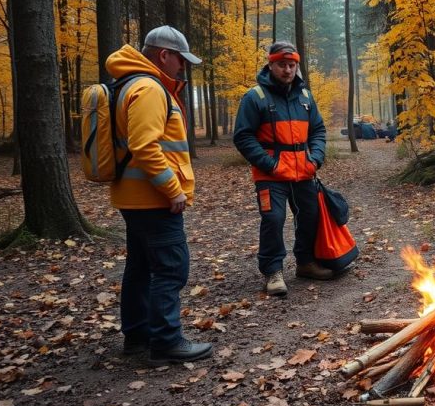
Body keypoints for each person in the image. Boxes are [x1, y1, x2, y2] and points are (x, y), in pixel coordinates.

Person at [107, 25, 212, 364]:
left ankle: (137, 337)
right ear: (164, 55)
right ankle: (166, 342)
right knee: (171, 268)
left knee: (139, 266)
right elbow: (144, 146)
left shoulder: (127, 83)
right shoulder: (149, 87)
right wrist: (173, 189)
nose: (182, 67)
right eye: (180, 60)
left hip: (134, 197)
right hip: (153, 198)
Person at [233, 41, 334, 296]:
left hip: (303, 172)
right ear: (271, 64)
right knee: (274, 219)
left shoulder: (306, 97)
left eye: (291, 65)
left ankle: (306, 262)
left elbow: (318, 131)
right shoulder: (255, 97)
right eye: (282, 65)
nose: (287, 70)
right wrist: (271, 164)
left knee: (310, 216)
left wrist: (316, 159)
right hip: (271, 175)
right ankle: (272, 271)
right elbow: (243, 137)